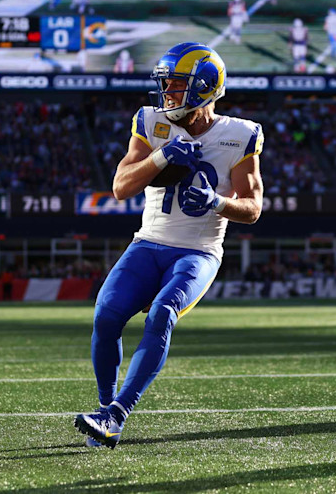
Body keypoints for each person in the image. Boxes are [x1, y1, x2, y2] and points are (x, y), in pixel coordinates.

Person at [74, 42, 264, 448]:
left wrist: (218, 202)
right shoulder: (151, 122)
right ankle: (107, 413)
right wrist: (162, 159)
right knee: (106, 316)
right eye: (166, 85)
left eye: (177, 86)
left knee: (162, 313)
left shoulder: (240, 135)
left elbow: (252, 208)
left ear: (205, 87)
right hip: (148, 243)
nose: (168, 95)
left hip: (198, 252)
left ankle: (118, 412)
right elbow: (121, 187)